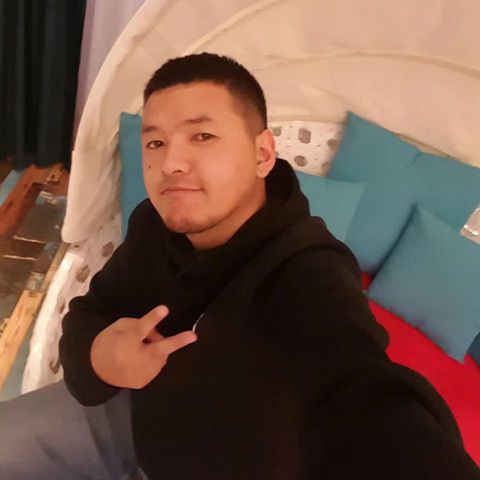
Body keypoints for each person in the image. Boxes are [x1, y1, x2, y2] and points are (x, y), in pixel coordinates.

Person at [1, 53, 479, 480]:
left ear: (263, 154)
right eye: (155, 143)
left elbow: (361, 397)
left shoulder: (311, 274)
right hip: (135, 412)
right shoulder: (153, 223)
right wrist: (102, 357)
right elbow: (94, 308)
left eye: (202, 135)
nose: (170, 163)